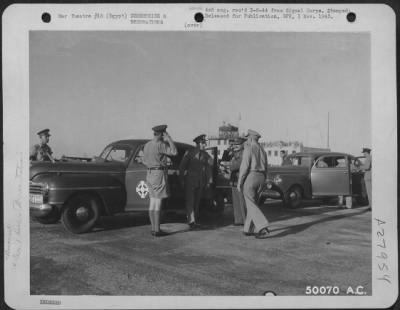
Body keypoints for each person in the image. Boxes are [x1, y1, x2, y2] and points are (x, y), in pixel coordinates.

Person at [142, 125, 177, 237]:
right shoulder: (160, 145)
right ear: (162, 134)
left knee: (152, 202)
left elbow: (143, 160)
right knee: (158, 202)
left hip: (149, 173)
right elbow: (174, 152)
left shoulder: (147, 145)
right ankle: (157, 230)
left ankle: (153, 228)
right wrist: (169, 139)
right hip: (159, 173)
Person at [238, 129, 270, 238]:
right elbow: (266, 168)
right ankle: (248, 228)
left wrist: (239, 182)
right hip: (262, 177)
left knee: (250, 204)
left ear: (251, 138)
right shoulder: (263, 150)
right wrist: (264, 179)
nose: (247, 139)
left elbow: (244, 167)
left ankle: (261, 225)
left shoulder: (249, 148)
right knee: (254, 204)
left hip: (252, 176)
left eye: (247, 137)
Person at [179, 134, 213, 229]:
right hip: (190, 180)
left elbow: (209, 167)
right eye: (202, 143)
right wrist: (181, 179)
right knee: (190, 201)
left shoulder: (205, 155)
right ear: (197, 143)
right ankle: (191, 221)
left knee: (197, 201)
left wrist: (209, 181)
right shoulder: (190, 153)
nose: (204, 145)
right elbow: (182, 167)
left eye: (204, 143)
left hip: (200, 181)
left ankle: (195, 219)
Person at [230, 136, 247, 225]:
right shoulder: (236, 153)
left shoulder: (243, 154)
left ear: (242, 144)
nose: (235, 146)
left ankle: (245, 221)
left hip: (240, 180)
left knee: (242, 201)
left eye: (238, 144)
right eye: (234, 144)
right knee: (236, 201)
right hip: (235, 179)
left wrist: (230, 164)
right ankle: (238, 220)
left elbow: (234, 166)